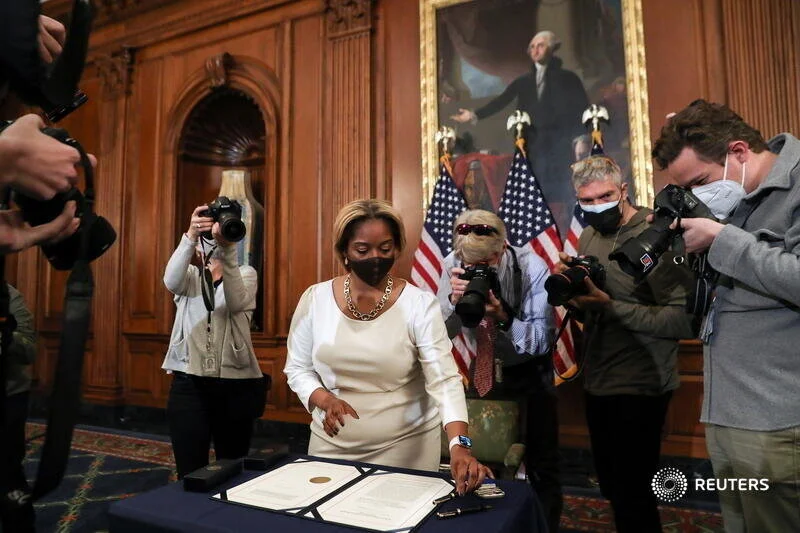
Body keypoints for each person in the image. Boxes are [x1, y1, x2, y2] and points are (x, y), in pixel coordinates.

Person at [651, 99, 800, 531]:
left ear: (738, 151)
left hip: (778, 420)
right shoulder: (732, 201)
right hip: (728, 413)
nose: (697, 196)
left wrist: (722, 239)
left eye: (700, 182)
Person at [284, 199, 492, 496]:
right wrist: (324, 399)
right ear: (344, 251)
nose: (375, 258)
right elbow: (298, 368)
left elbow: (445, 381)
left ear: (397, 249)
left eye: (385, 249)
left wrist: (460, 446)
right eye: (362, 250)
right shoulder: (315, 299)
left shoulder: (419, 305)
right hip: (331, 443)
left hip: (405, 448)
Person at [554, 155, 695, 533]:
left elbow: (680, 320)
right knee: (612, 486)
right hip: (599, 378)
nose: (597, 206)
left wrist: (610, 306)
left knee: (635, 493)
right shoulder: (588, 236)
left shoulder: (656, 233)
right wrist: (576, 298)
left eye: (605, 196)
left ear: (623, 190)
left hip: (643, 382)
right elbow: (591, 312)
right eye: (587, 201)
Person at [436, 209, 560, 531]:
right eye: (470, 263)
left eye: (486, 264)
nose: (478, 269)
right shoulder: (452, 263)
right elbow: (440, 334)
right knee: (478, 458)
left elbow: (541, 341)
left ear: (502, 248)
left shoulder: (530, 266)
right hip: (481, 369)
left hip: (528, 370)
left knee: (542, 465)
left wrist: (503, 317)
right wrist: (453, 303)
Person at [162, 205, 265, 479]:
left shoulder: (246, 273)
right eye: (210, 233)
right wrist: (190, 235)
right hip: (189, 383)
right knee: (190, 470)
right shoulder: (189, 276)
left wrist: (227, 250)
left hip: (235, 385)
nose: (216, 237)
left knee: (232, 467)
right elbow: (170, 281)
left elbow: (236, 302)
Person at [451, 30, 588, 219]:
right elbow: (501, 101)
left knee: (560, 196)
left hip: (560, 147)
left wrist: (580, 138)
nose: (535, 50)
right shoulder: (524, 81)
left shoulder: (568, 79)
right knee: (532, 196)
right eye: (532, 47)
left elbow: (581, 109)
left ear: (552, 48)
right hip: (531, 148)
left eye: (540, 45)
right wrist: (473, 114)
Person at [0, 284, 36, 533]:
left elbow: (29, 350)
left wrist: (6, 337)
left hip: (9, 396)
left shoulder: (8, 296)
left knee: (8, 473)